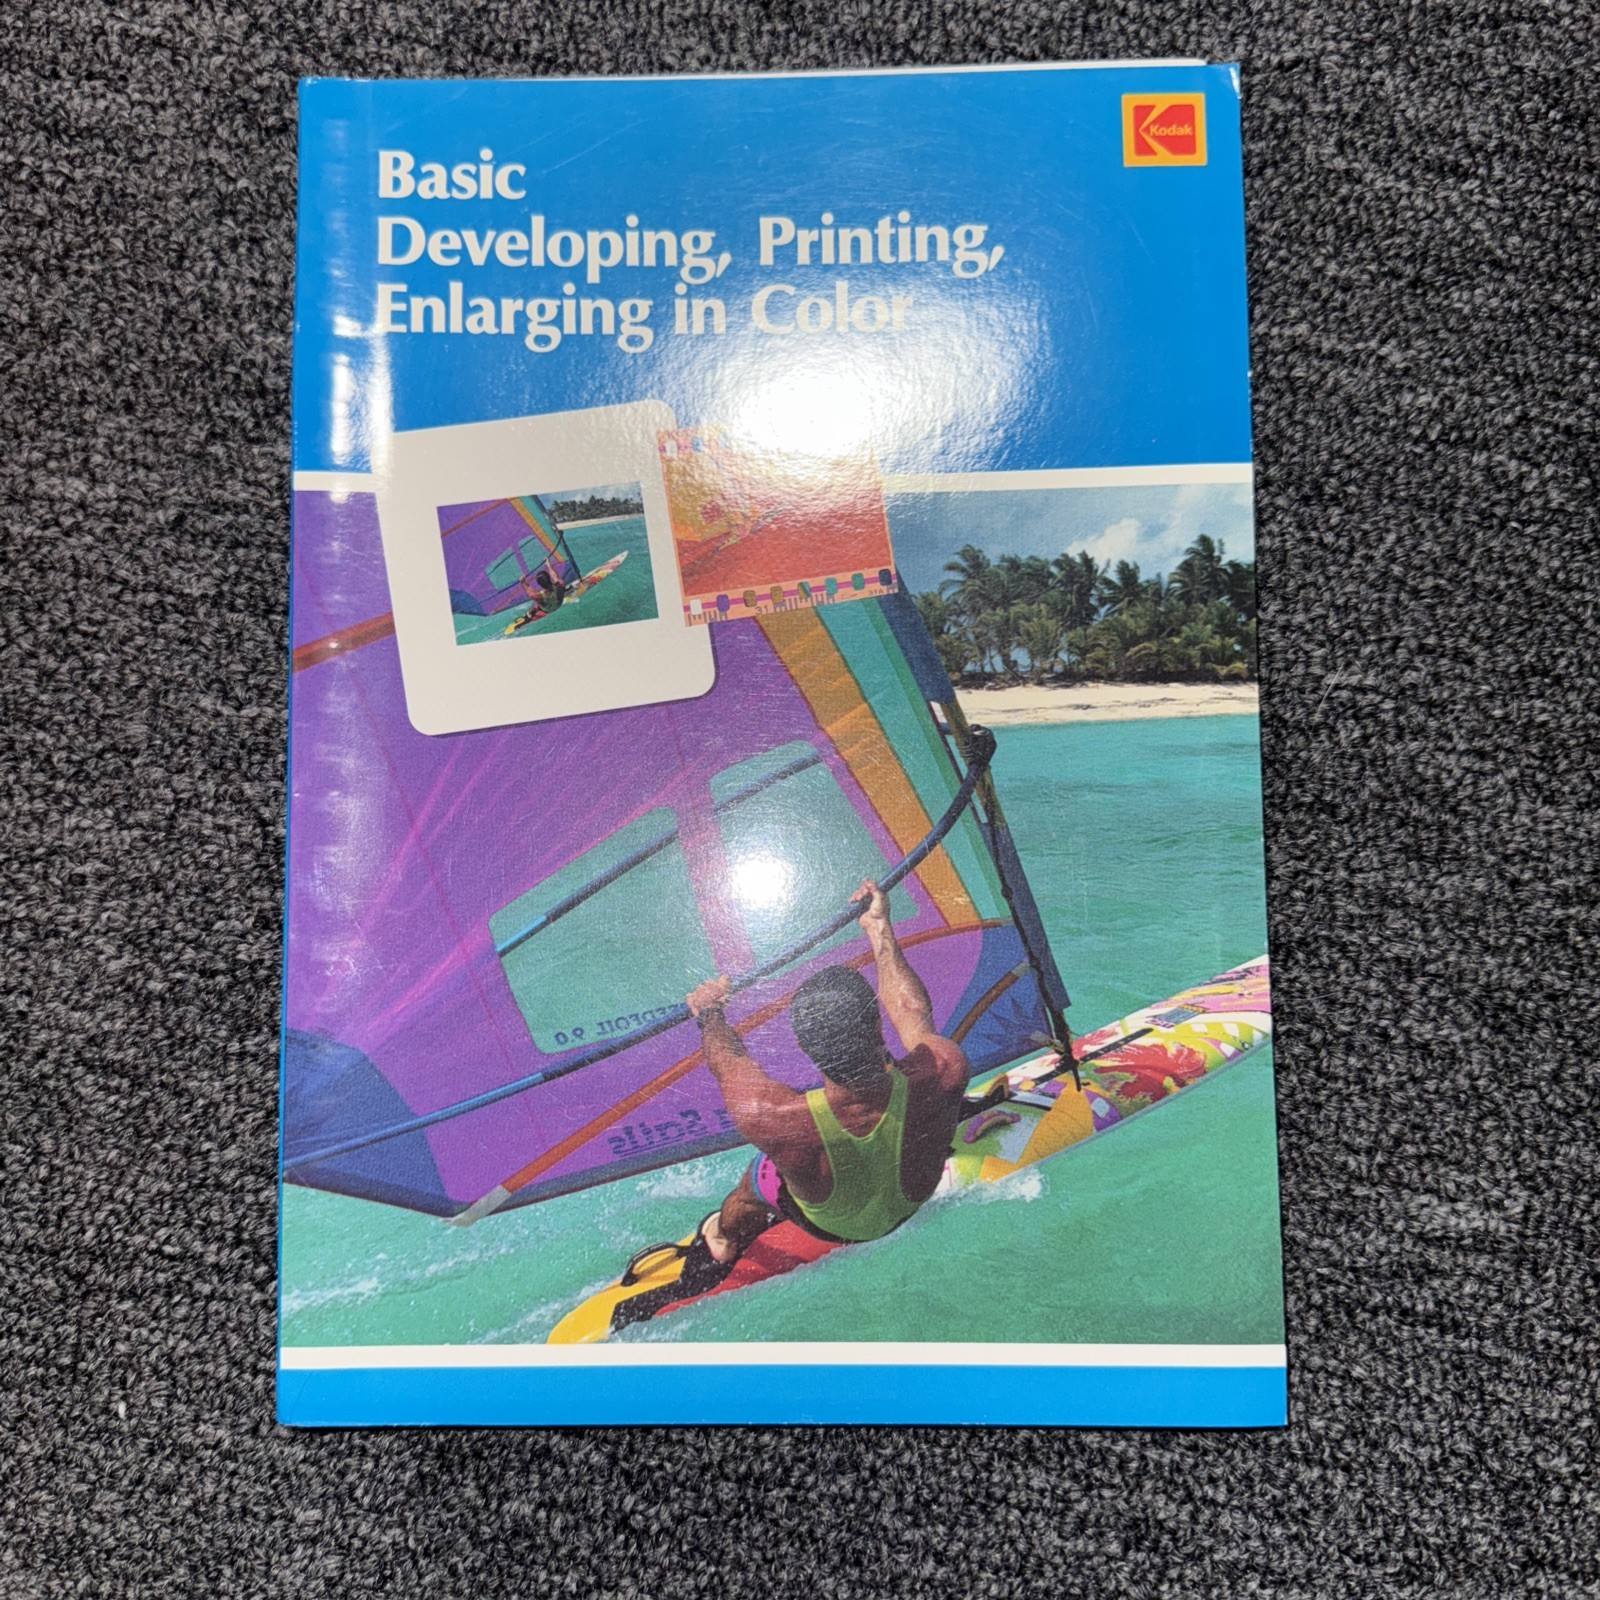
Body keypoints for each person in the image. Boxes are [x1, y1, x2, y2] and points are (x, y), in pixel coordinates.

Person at [685, 879, 971, 1265]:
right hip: (911, 1203)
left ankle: (722, 1237)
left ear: (804, 1048)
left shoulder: (771, 1118)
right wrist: (878, 925)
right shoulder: (945, 1069)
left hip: (825, 1226)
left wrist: (710, 1013)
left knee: (755, 1182)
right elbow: (911, 1011)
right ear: (877, 1027)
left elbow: (726, 1060)